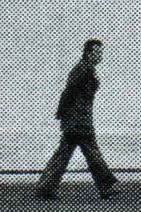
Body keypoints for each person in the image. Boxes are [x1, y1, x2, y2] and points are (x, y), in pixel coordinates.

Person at [35, 39, 120, 200]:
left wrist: (63, 115)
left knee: (65, 154)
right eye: (97, 52)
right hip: (79, 120)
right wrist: (62, 114)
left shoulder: (86, 69)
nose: (100, 56)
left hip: (78, 119)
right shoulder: (83, 69)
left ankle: (45, 187)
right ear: (88, 53)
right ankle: (106, 185)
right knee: (90, 153)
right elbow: (68, 92)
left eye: (100, 52)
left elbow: (70, 92)